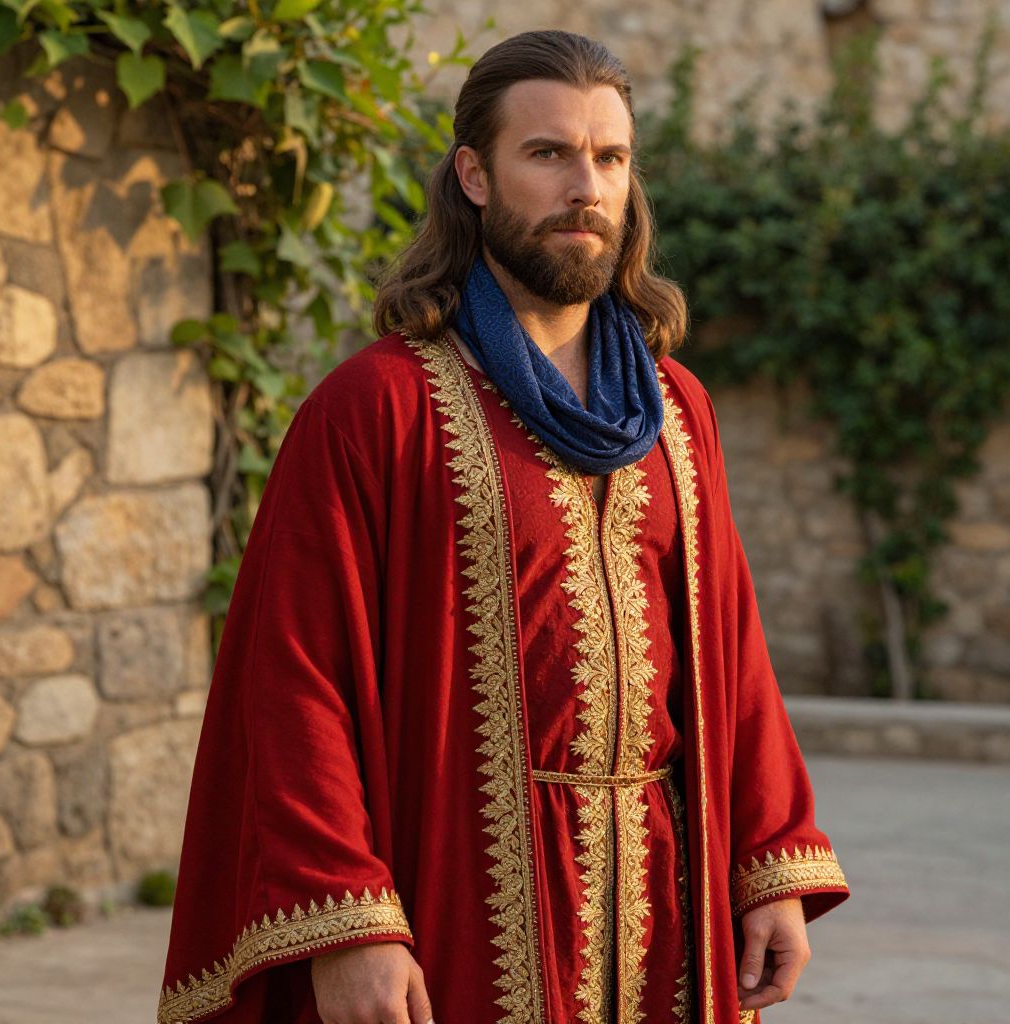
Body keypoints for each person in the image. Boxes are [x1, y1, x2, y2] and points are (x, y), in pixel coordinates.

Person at [157, 29, 849, 1024]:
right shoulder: (375, 409)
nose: (586, 186)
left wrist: (767, 862)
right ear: (474, 176)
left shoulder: (675, 410)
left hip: (660, 900)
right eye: (548, 154)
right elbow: (291, 681)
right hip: (454, 888)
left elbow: (730, 651)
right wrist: (351, 922)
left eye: (609, 158)